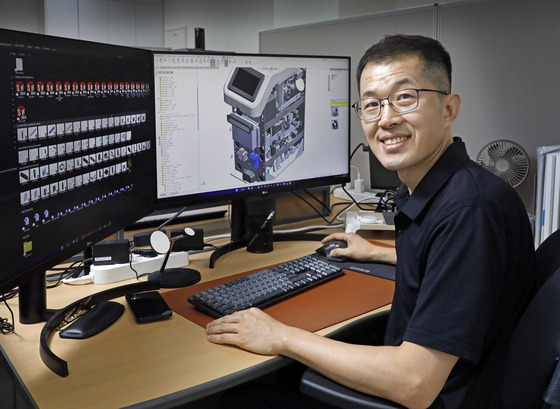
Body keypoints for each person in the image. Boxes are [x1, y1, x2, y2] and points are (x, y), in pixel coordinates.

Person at [206, 34, 536, 409]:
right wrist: (381, 253)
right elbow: (455, 269)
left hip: (435, 396)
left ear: (449, 109)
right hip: (451, 376)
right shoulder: (449, 191)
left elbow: (415, 383)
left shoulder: (469, 213)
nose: (387, 119)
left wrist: (281, 336)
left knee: (238, 397)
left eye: (405, 97)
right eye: (371, 105)